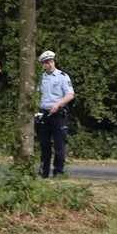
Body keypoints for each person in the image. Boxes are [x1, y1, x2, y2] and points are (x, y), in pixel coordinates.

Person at [36, 50, 75, 178]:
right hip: (44, 115)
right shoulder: (39, 78)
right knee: (44, 146)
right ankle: (44, 173)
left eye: (51, 62)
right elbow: (35, 95)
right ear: (43, 65)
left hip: (58, 115)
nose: (50, 65)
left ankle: (58, 172)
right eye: (47, 63)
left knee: (59, 146)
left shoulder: (62, 76)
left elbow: (70, 95)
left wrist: (58, 104)